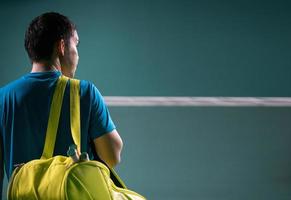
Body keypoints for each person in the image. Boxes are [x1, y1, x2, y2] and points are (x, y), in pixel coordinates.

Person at [0, 12, 123, 197]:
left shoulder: (3, 98)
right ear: (62, 46)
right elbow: (112, 156)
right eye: (76, 44)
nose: (78, 55)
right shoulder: (84, 92)